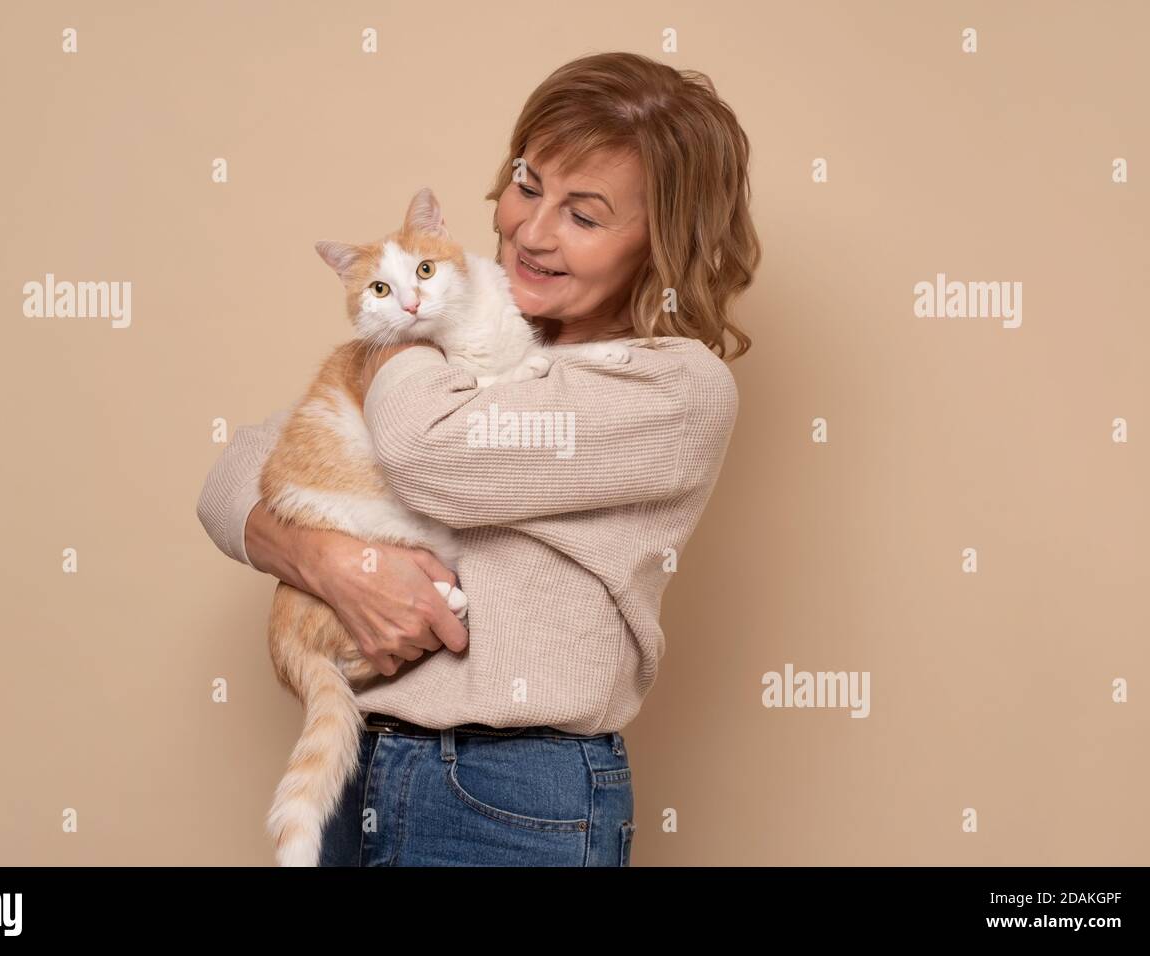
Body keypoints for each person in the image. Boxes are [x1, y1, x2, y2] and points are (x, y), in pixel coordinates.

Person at [196, 51, 759, 866]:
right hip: (358, 765)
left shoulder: (673, 389)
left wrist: (408, 320)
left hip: (513, 795)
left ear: (663, 243)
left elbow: (431, 455)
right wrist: (330, 561)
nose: (531, 232)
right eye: (528, 184)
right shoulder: (465, 324)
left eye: (585, 215)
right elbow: (230, 475)